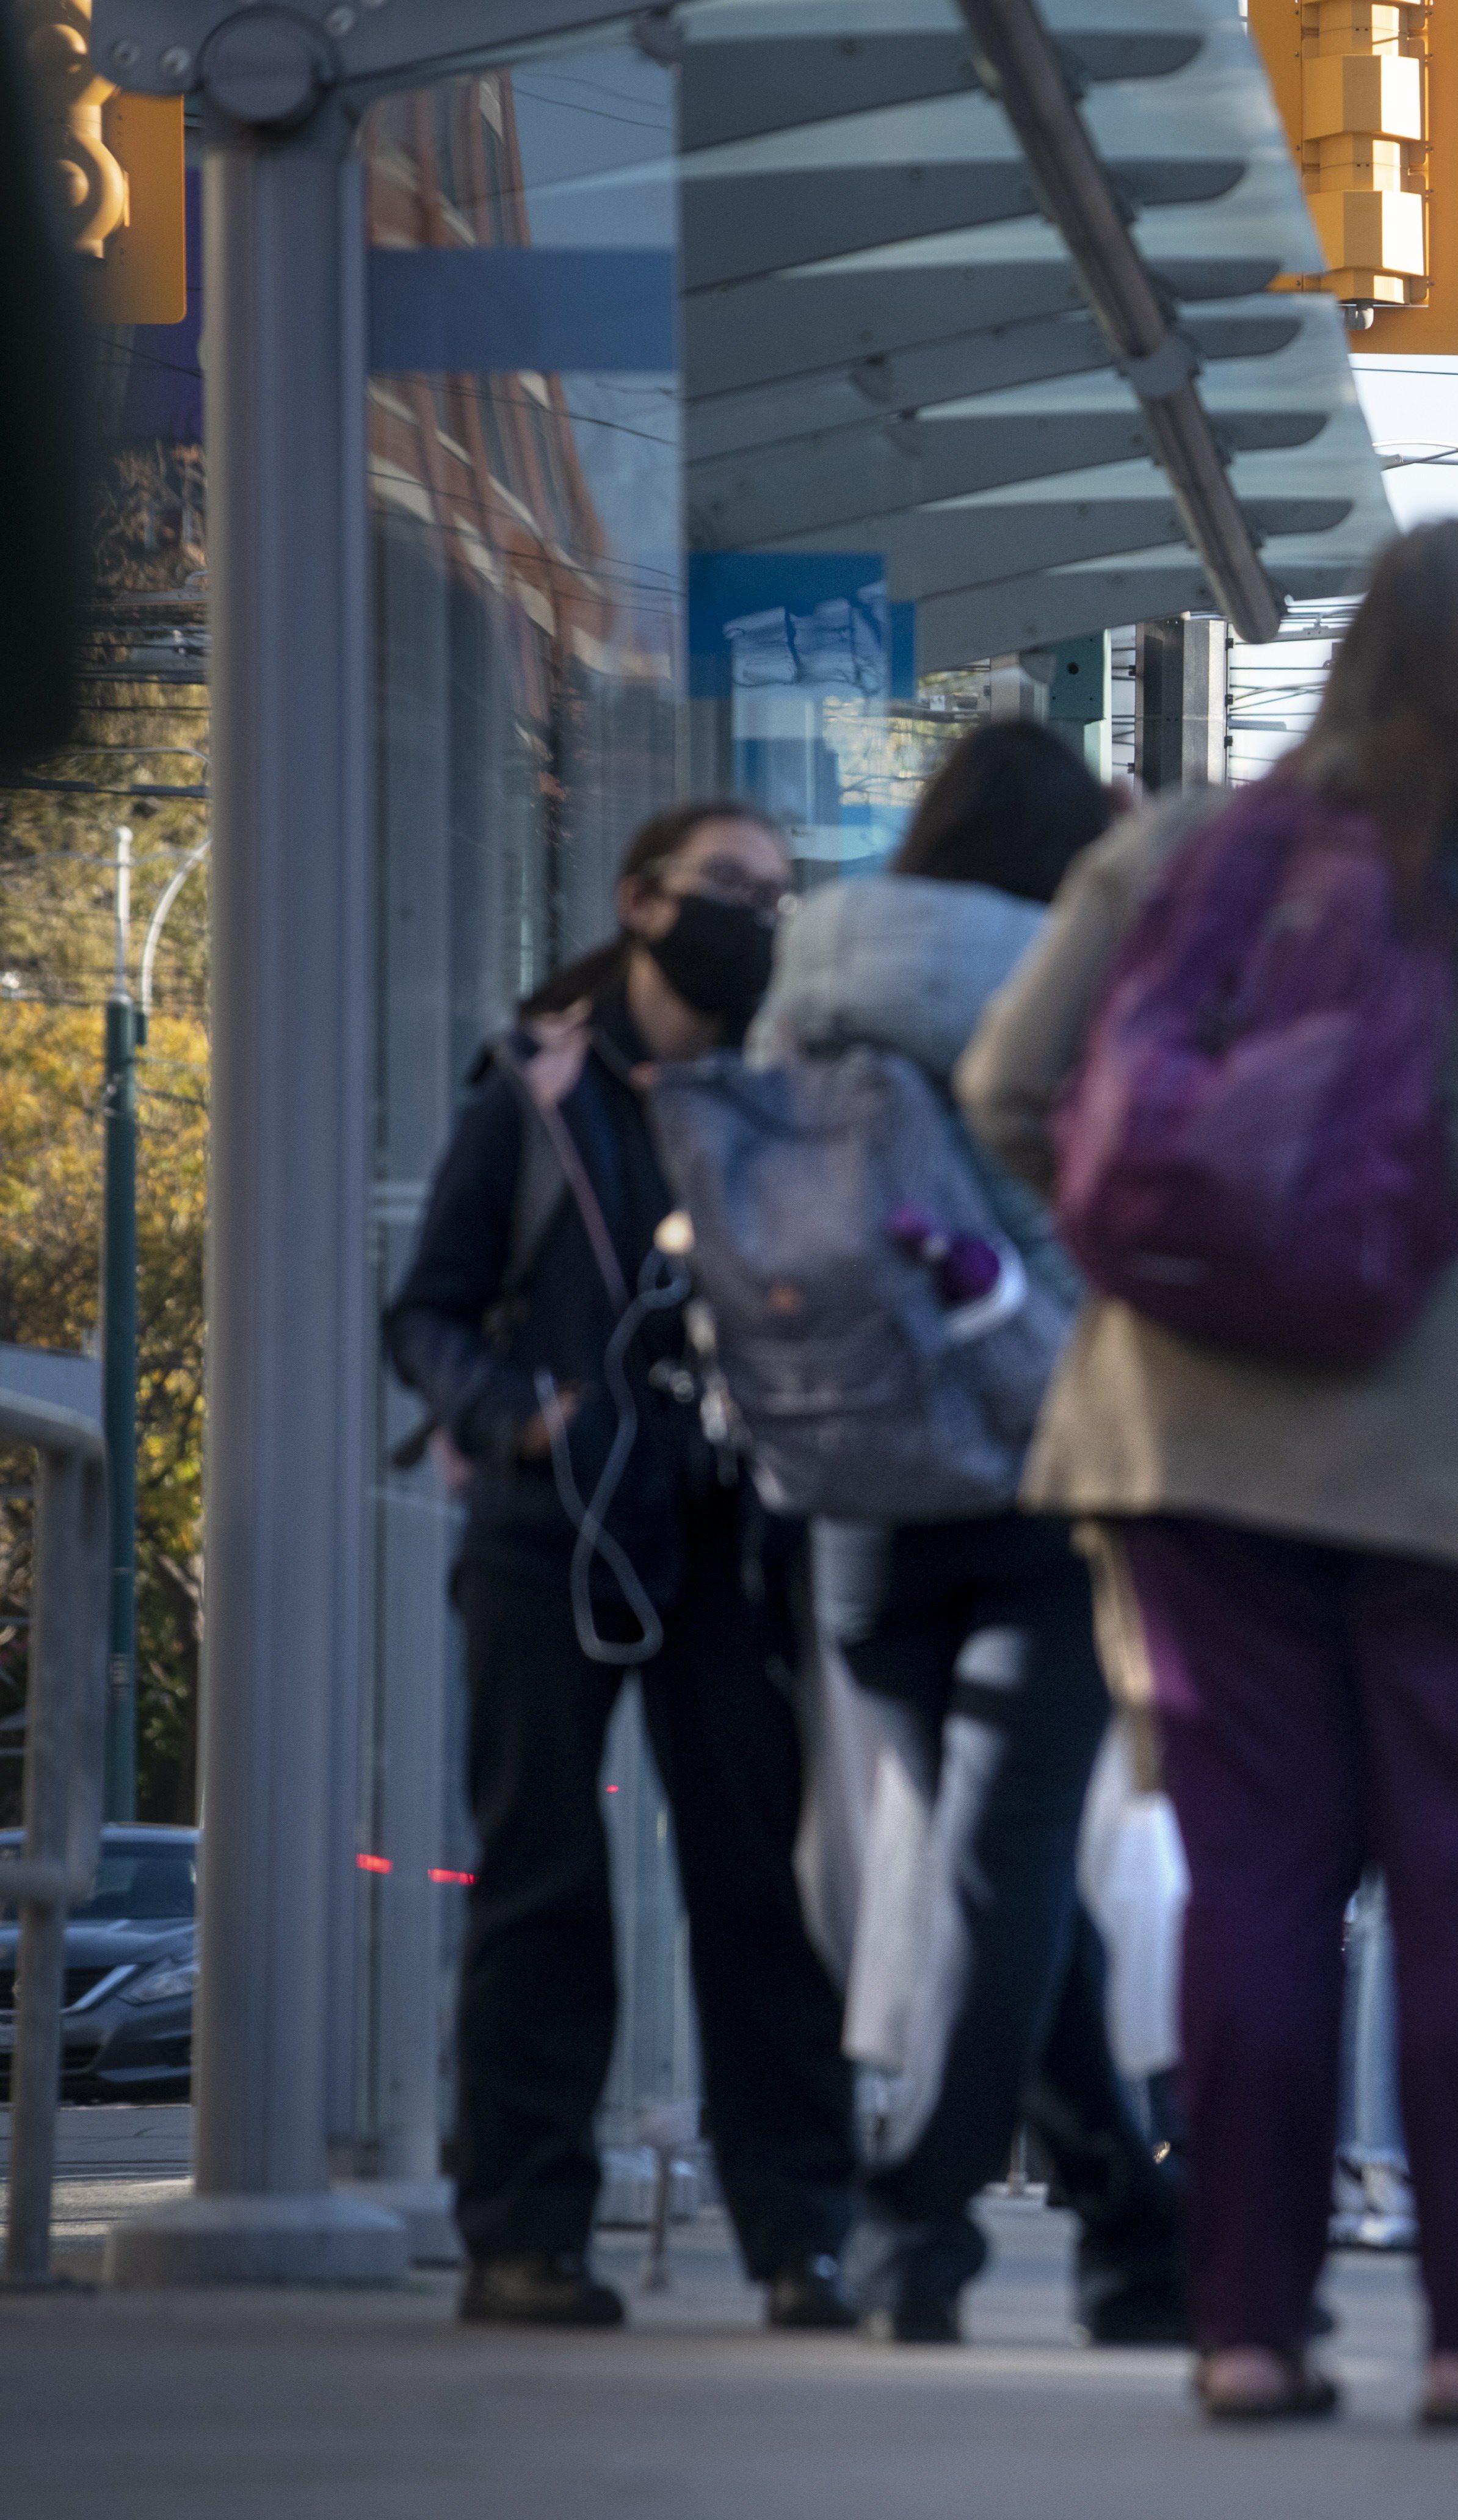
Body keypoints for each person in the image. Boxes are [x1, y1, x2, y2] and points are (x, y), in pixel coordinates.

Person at [960, 519, 1458, 2426]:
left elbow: (1005, 1091)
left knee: (1255, 1882)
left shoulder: (1184, 849)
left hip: (1196, 1440)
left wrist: (1161, 1282)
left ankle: (1246, 2331)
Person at [384, 801, 857, 2329]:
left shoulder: (785, 1096)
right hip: (555, 1538)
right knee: (544, 1881)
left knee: (759, 1892)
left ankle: (802, 2236)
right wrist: (520, 1420)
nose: (760, 922)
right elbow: (430, 1313)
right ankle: (525, 2236)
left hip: (729, 1537)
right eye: (731, 891)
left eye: (782, 900)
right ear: (640, 904)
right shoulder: (536, 1093)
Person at [749, 719, 1181, 2346]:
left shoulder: (806, 977)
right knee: (1007, 1878)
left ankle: (1141, 2237)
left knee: (1006, 1883)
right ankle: (913, 2225)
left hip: (856, 1489)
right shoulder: (1076, 992)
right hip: (1043, 1478)